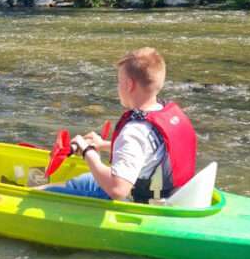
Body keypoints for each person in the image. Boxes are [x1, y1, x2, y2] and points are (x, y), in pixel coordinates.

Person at [36, 47, 197, 204]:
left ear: (129, 85)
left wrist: (87, 151)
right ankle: (43, 189)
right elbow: (148, 152)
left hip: (139, 203)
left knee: (43, 197)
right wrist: (102, 145)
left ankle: (33, 196)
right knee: (86, 180)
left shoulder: (134, 132)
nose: (118, 87)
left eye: (119, 82)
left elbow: (118, 190)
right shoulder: (163, 112)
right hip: (167, 193)